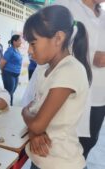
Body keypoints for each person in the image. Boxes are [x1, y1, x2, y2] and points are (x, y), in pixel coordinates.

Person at [22, 5, 92, 169]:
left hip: (61, 163)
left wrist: (24, 112)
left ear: (58, 38)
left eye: (33, 43)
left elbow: (37, 122)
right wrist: (33, 130)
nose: (29, 51)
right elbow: (36, 116)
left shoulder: (69, 71)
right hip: (41, 159)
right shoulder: (44, 71)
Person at [55, 0, 105, 160]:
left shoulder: (103, 16)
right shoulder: (65, 5)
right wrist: (91, 56)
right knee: (56, 146)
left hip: (98, 98)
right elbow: (48, 46)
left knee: (88, 142)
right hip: (66, 93)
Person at [0, 34, 23, 106]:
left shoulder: (17, 50)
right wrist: (3, 72)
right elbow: (2, 62)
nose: (21, 42)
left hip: (16, 74)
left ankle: (9, 105)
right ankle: (8, 106)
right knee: (9, 92)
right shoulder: (10, 51)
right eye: (19, 40)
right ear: (14, 41)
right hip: (9, 74)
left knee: (12, 92)